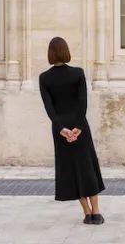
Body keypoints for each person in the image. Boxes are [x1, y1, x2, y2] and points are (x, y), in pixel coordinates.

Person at [39, 36, 106, 224]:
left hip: (60, 129)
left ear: (50, 54)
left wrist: (62, 129)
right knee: (87, 168)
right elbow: (83, 103)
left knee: (71, 170)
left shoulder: (44, 78)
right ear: (66, 51)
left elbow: (49, 108)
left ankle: (86, 213)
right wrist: (77, 127)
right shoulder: (78, 73)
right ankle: (96, 213)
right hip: (80, 127)